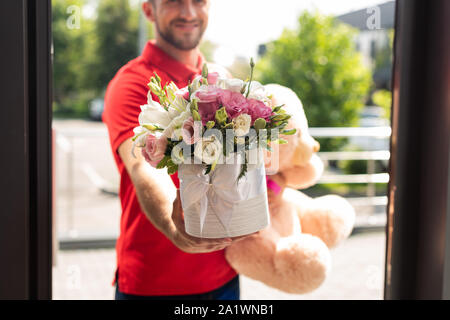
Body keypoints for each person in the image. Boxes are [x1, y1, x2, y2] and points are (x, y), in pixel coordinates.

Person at [102, 0, 253, 300]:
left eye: (199, 1)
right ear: (149, 10)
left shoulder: (222, 80)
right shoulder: (131, 83)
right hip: (152, 285)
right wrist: (174, 226)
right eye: (173, 1)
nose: (188, 12)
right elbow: (143, 166)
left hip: (224, 278)